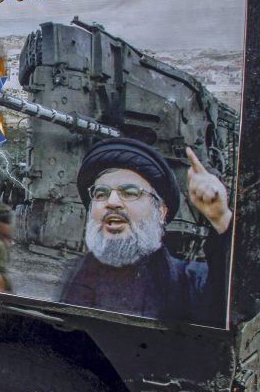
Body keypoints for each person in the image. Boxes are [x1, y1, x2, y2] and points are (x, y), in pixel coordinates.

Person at [60, 138, 231, 326]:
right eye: (101, 194)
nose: (112, 202)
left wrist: (221, 219)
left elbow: (232, 300)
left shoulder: (191, 282)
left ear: (160, 212)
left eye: (130, 192)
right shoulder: (75, 277)